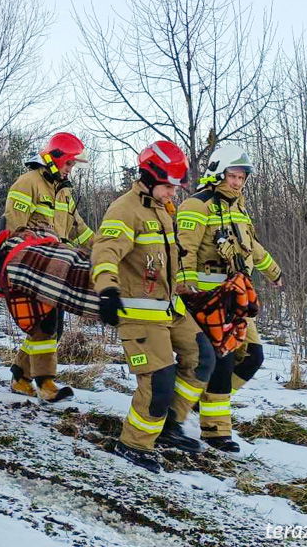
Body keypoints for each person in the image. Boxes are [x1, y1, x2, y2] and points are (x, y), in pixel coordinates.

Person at [91, 141, 215, 473]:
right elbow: (105, 252)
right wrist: (106, 290)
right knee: (159, 379)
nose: (174, 191)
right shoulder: (124, 209)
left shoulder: (164, 208)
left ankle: (169, 426)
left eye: (176, 186)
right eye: (169, 184)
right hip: (139, 312)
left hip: (169, 308)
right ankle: (134, 443)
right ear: (149, 176)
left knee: (202, 356)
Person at [175, 144, 283, 452]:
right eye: (233, 176)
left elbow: (253, 247)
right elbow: (185, 249)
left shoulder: (239, 208)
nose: (238, 182)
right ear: (217, 174)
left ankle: (200, 402)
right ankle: (215, 431)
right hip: (208, 297)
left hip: (236, 295)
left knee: (253, 355)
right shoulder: (197, 205)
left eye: (242, 177)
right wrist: (187, 285)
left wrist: (274, 271)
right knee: (221, 361)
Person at [3, 132, 94, 402]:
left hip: (58, 266)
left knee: (49, 325)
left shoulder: (63, 192)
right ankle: (45, 382)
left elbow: (79, 230)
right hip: (33, 263)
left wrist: (104, 250)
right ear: (55, 160)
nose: (70, 170)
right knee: (46, 323)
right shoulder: (28, 182)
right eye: (68, 164)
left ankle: (21, 375)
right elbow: (14, 225)